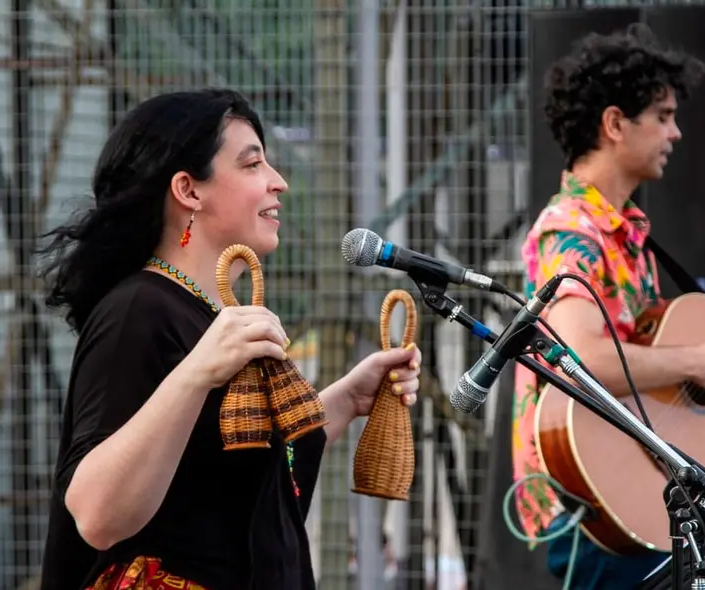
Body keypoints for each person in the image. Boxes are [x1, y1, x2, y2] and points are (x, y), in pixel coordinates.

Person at [37, 88, 423, 590]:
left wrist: (346, 400)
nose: (278, 183)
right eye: (253, 164)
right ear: (189, 191)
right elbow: (96, 513)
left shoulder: (210, 312)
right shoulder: (139, 312)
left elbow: (233, 477)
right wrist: (197, 373)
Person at [510, 25, 705, 589]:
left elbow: (658, 385)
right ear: (616, 124)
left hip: (646, 492)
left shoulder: (627, 237)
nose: (677, 132)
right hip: (595, 503)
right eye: (663, 116)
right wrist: (697, 360)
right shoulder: (571, 233)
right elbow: (584, 361)